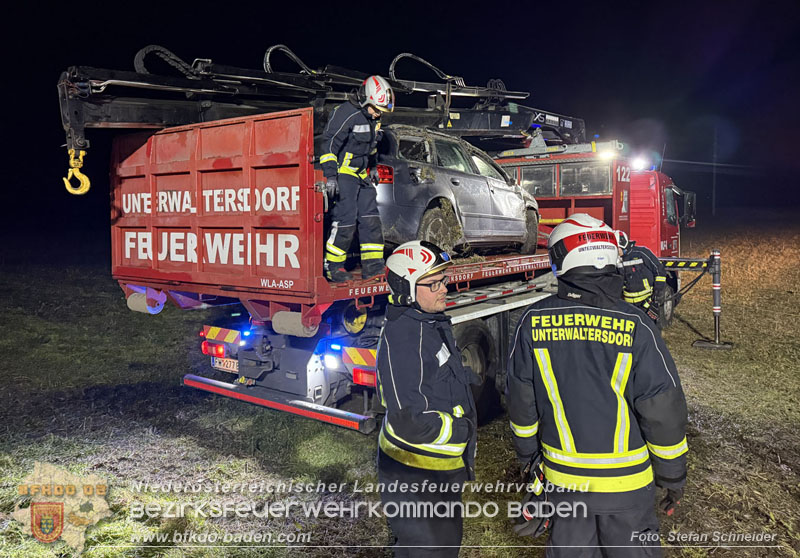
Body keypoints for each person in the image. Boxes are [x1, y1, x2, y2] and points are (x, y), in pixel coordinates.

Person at [507, 214, 688, 558]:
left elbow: (520, 402)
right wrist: (672, 474)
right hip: (628, 488)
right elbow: (661, 408)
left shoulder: (532, 323)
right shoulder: (637, 326)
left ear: (562, 260)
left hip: (565, 484)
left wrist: (529, 460)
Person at [376, 240, 479, 557]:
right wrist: (461, 430)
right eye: (433, 283)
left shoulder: (425, 322)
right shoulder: (405, 336)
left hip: (435, 472)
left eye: (444, 280)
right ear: (406, 288)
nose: (444, 289)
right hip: (416, 476)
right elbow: (410, 420)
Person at [320, 75, 394, 282]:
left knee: (371, 221)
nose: (379, 114)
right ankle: (334, 268)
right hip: (344, 174)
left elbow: (371, 147)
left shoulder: (374, 117)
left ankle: (374, 268)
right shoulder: (345, 113)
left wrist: (372, 167)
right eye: (376, 109)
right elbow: (328, 146)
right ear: (365, 99)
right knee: (346, 220)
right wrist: (331, 176)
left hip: (362, 176)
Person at [616, 230, 669, 325]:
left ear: (623, 244)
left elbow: (659, 271)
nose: (615, 252)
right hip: (629, 305)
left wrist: (657, 294)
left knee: (650, 330)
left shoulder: (641, 253)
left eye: (617, 248)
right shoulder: (616, 260)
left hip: (647, 302)